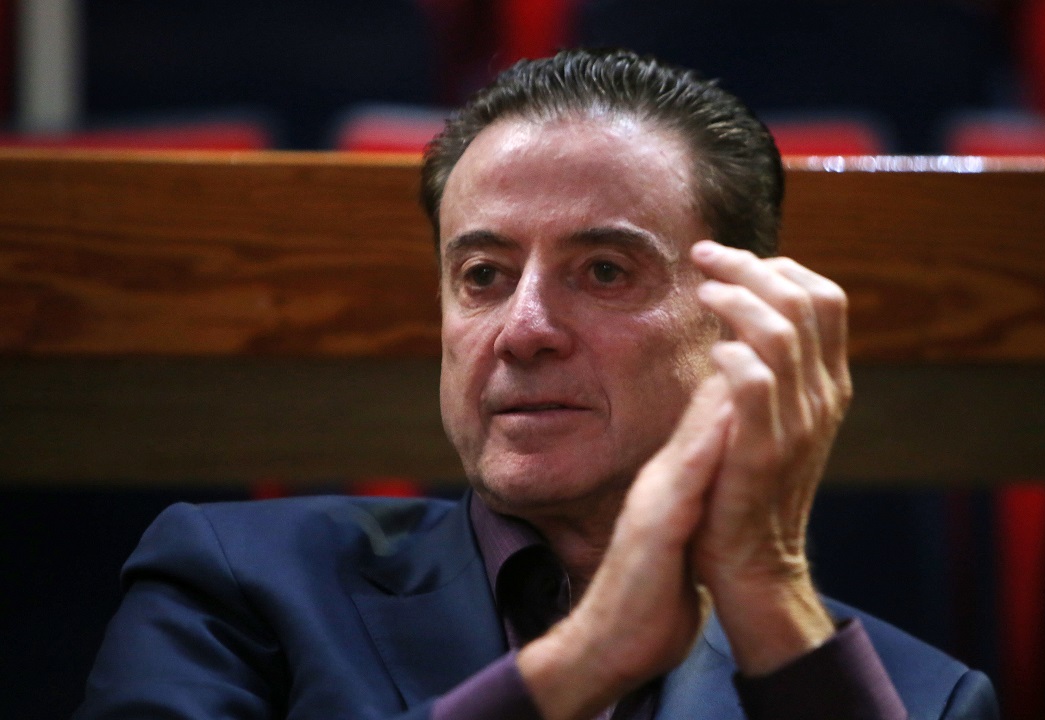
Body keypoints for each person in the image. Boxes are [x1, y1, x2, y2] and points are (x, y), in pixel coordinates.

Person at [75, 48, 998, 720]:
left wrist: (768, 591)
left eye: (604, 271)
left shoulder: (916, 699)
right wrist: (580, 665)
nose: (522, 330)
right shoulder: (237, 584)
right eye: (482, 275)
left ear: (737, 322)